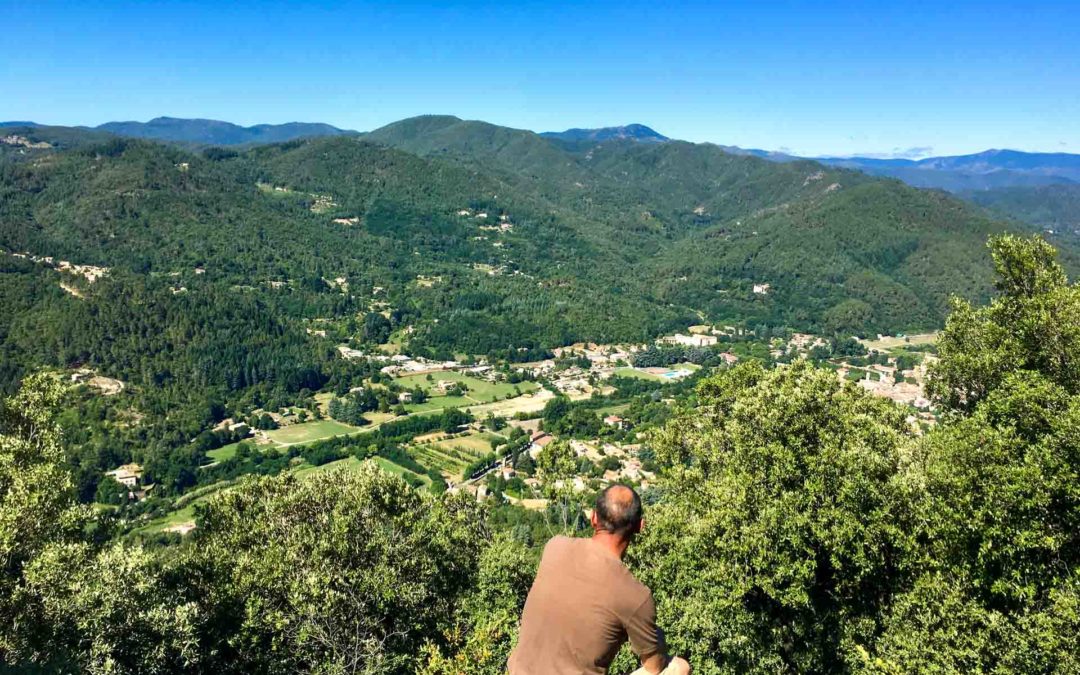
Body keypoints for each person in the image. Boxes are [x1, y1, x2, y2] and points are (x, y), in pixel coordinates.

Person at [508, 485, 690, 675]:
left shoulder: (555, 547)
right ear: (639, 526)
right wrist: (657, 640)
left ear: (594, 517)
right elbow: (654, 667)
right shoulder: (636, 596)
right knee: (680, 668)